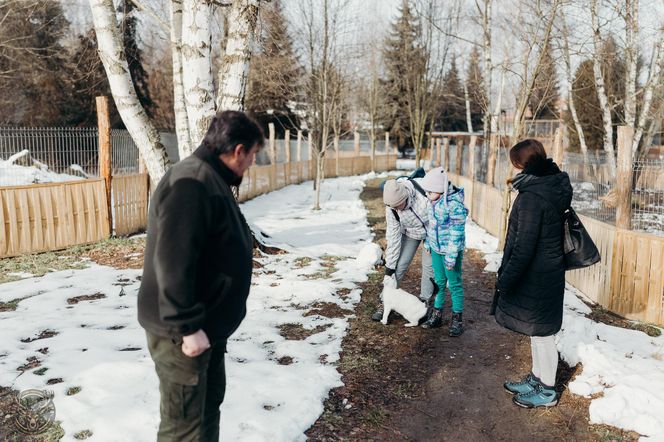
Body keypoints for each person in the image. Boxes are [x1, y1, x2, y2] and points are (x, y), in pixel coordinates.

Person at [137, 110, 264, 440]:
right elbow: (173, 259)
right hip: (183, 336)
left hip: (205, 330)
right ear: (238, 150)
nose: (251, 163)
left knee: (206, 412)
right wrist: (187, 325)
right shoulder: (192, 182)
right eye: (252, 155)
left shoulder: (209, 178)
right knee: (183, 429)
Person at [492, 139, 572, 409]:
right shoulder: (549, 184)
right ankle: (538, 379)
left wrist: (506, 279)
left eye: (515, 162)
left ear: (522, 164)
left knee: (543, 333)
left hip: (537, 273)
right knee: (537, 331)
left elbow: (523, 246)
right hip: (546, 270)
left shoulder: (532, 197)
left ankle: (547, 390)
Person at [372, 177, 434, 322]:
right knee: (399, 266)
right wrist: (389, 268)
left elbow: (437, 216)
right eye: (393, 207)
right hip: (411, 233)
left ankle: (424, 304)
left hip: (432, 233)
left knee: (428, 266)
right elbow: (393, 237)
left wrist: (432, 241)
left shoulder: (422, 191)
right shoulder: (391, 209)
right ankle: (385, 302)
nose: (396, 209)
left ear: (405, 197)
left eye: (399, 206)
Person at [418, 167, 468, 336]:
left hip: (450, 252)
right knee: (439, 282)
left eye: (429, 191)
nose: (426, 195)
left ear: (440, 190)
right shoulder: (432, 201)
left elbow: (456, 232)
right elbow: (431, 226)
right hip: (436, 249)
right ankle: (437, 313)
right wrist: (428, 242)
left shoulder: (455, 206)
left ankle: (457, 318)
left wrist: (451, 256)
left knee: (454, 284)